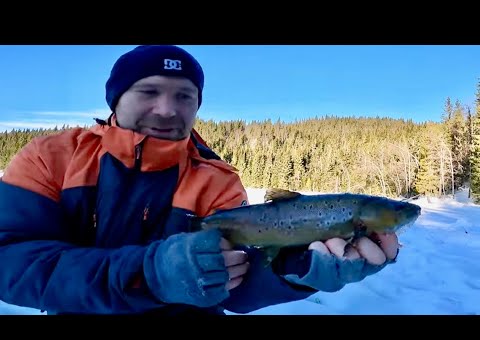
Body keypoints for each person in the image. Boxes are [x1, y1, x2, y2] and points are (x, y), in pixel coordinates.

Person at [0, 45, 400, 315]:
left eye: (184, 97)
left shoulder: (218, 182)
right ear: (116, 100)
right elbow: (10, 262)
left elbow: (238, 283)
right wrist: (147, 274)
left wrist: (292, 271)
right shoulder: (51, 157)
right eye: (149, 91)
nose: (167, 109)